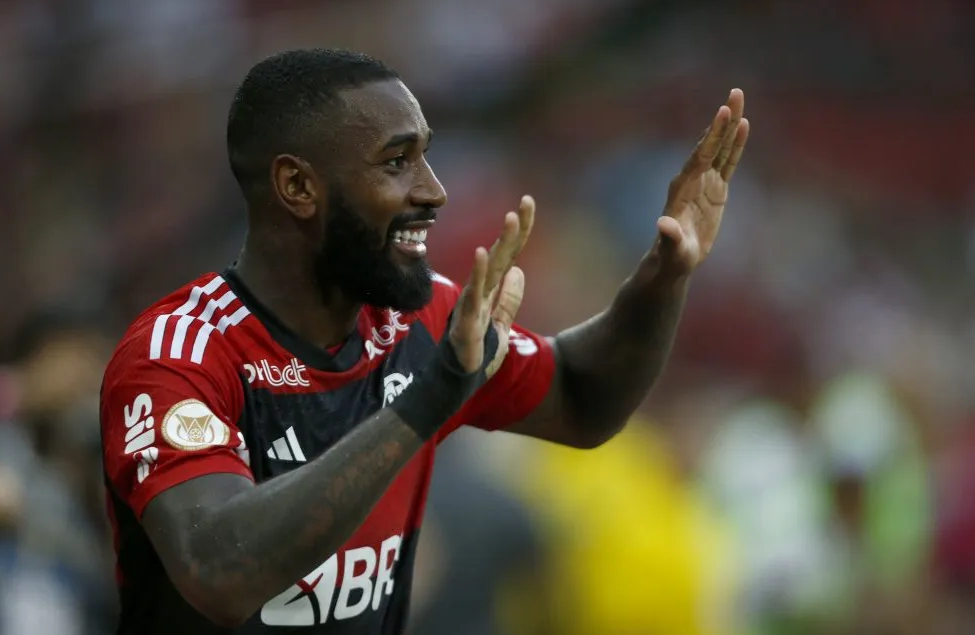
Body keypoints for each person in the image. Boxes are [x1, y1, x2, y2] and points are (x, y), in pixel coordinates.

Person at [99, 47, 749, 634]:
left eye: (426, 156)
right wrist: (429, 399)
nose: (434, 190)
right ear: (297, 187)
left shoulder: (417, 320)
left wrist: (664, 274)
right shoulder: (177, 354)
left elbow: (582, 401)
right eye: (396, 162)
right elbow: (219, 570)